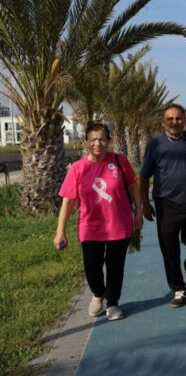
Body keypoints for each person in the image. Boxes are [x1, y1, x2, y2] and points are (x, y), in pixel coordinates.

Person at [54, 122, 143, 320]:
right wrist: (61, 231)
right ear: (85, 142)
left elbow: (132, 186)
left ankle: (112, 303)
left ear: (109, 141)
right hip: (90, 226)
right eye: (93, 139)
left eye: (102, 139)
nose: (97, 143)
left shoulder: (120, 161)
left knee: (115, 267)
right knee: (92, 266)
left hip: (119, 224)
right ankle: (98, 293)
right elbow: (68, 201)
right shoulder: (77, 168)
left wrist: (138, 211)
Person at [139, 104, 186, 308]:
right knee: (170, 250)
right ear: (163, 122)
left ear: (184, 120)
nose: (175, 122)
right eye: (170, 119)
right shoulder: (155, 143)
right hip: (166, 205)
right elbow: (144, 176)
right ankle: (179, 288)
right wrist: (144, 204)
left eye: (179, 118)